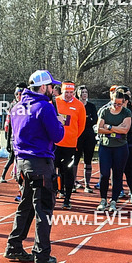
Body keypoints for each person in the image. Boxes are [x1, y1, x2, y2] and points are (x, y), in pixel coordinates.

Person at [4, 70, 65, 263]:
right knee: (43, 209)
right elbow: (57, 136)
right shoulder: (45, 107)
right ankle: (42, 254)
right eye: (51, 87)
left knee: (26, 205)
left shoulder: (17, 107)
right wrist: (60, 123)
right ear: (43, 87)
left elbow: (13, 136)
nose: (54, 90)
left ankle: (14, 245)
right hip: (40, 162)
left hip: (22, 162)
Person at [96, 87, 132, 212]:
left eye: (119, 104)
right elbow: (99, 129)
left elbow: (125, 130)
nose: (117, 106)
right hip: (105, 146)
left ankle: (113, 201)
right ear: (110, 100)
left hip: (120, 147)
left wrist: (109, 126)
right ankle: (103, 199)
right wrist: (117, 128)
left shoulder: (126, 112)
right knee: (104, 174)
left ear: (123, 102)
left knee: (117, 174)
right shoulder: (105, 112)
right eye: (114, 103)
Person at [54, 80, 86, 209]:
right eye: (66, 92)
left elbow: (81, 126)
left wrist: (72, 136)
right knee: (51, 170)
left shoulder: (79, 105)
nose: (68, 95)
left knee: (68, 172)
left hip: (70, 145)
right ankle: (53, 193)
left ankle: (67, 198)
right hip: (55, 144)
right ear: (61, 91)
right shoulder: (54, 102)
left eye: (71, 92)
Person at [75, 85, 97, 193]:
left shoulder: (91, 106)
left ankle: (87, 184)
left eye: (86, 92)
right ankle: (73, 182)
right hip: (77, 135)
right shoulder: (75, 105)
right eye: (82, 92)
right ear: (78, 93)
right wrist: (86, 119)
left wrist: (85, 120)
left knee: (88, 160)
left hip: (89, 135)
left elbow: (94, 120)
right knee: (75, 160)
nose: (84, 94)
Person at [0, 85, 23, 184]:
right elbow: (9, 124)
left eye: (21, 94)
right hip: (14, 136)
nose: (19, 96)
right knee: (11, 158)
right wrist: (8, 140)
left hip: (23, 136)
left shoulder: (28, 105)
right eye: (17, 94)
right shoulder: (13, 105)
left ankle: (18, 176)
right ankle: (3, 175)